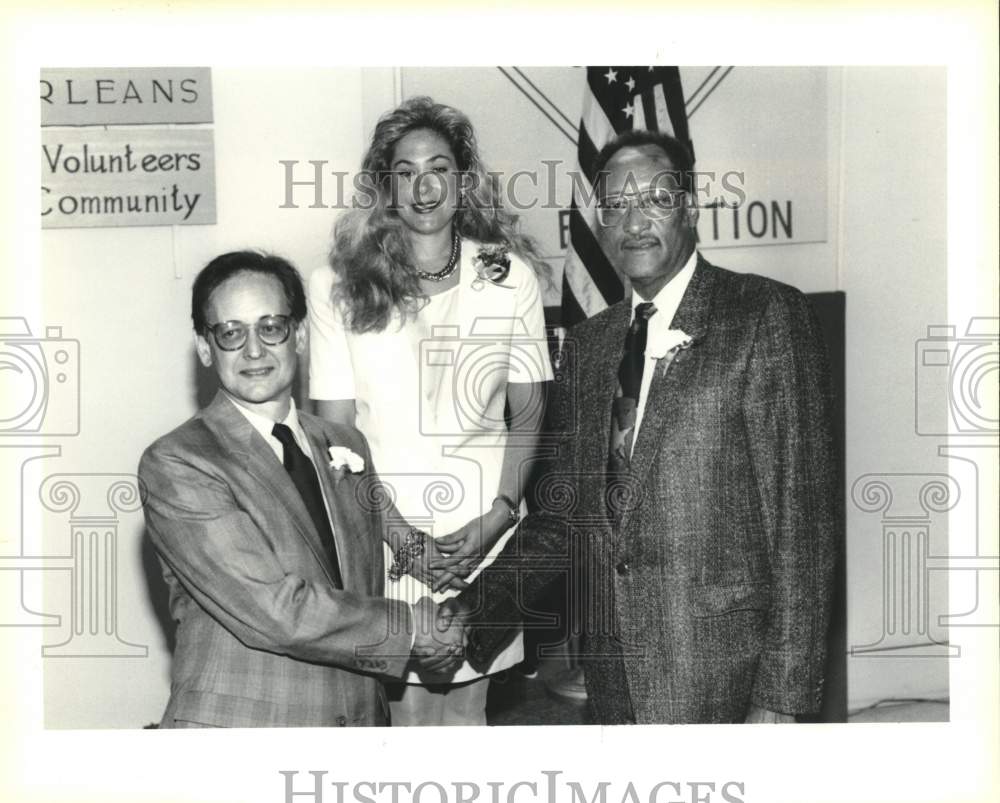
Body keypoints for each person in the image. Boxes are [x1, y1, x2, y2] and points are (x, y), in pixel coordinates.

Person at [462, 130, 839, 724]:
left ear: (689, 208)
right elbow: (567, 519)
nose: (634, 222)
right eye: (615, 206)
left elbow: (803, 529)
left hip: (725, 680)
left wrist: (781, 699)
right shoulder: (587, 346)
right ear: (599, 225)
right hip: (614, 681)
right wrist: (469, 613)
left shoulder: (765, 317)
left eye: (655, 200)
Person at [139, 250, 464, 728]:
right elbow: (275, 610)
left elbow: (362, 583)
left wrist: (456, 615)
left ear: (301, 335)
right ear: (206, 348)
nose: (254, 350)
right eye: (231, 333)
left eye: (271, 326)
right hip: (244, 737)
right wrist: (415, 629)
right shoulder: (180, 462)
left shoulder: (345, 445)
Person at [308, 97, 552, 725]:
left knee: (467, 723)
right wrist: (400, 538)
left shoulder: (509, 277)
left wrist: (497, 520)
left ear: (463, 181)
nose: (423, 185)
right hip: (383, 536)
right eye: (406, 170)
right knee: (402, 726)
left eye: (439, 167)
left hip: (484, 534)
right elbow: (336, 438)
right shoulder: (337, 285)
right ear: (385, 186)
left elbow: (526, 416)